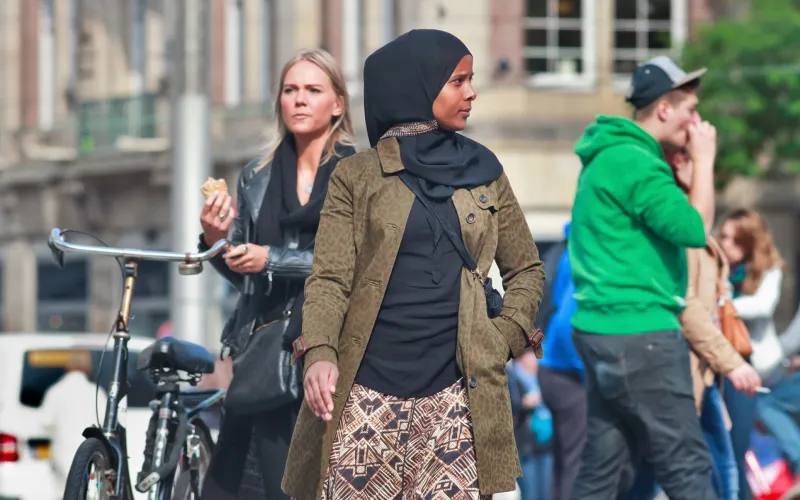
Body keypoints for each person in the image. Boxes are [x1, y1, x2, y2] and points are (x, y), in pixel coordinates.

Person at [282, 29, 546, 500]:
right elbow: (329, 279)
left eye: (471, 81)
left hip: (457, 399)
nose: (471, 93)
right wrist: (320, 353)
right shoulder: (357, 175)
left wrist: (502, 337)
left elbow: (526, 269)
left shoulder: (485, 170)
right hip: (364, 396)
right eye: (458, 81)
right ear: (420, 87)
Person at [197, 48, 356, 500]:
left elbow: (354, 263)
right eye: (290, 91)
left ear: (338, 104)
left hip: (333, 351)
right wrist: (214, 239)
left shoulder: (359, 174)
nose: (299, 100)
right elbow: (243, 274)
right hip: (266, 354)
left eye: (313, 90)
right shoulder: (256, 176)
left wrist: (273, 260)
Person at [568, 55, 719, 500]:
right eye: (690, 109)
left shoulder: (608, 156)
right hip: (641, 332)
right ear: (663, 108)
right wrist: (705, 161)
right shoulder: (636, 163)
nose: (697, 121)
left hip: (601, 330)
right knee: (687, 466)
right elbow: (695, 230)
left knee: (602, 472)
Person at [672, 148, 762, 499]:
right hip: (690, 364)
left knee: (723, 465)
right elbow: (686, 304)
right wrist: (732, 362)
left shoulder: (696, 230)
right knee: (706, 468)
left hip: (706, 368)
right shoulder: (679, 228)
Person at [718, 208, 784, 500]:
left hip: (754, 370)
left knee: (737, 448)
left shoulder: (769, 269)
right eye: (723, 236)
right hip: (720, 368)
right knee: (721, 451)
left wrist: (721, 306)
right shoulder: (716, 268)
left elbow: (762, 306)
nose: (724, 244)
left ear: (749, 242)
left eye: (734, 239)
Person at [538, 221, 585, 500]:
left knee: (563, 458)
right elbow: (569, 323)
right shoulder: (581, 255)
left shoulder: (563, 252)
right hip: (568, 370)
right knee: (576, 462)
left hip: (552, 368)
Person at [39, 352, 108, 492]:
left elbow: (44, 422)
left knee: (65, 492)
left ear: (67, 367)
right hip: (91, 453)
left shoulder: (56, 391)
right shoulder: (96, 392)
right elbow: (106, 423)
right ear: (88, 369)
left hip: (62, 453)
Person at [508, 352, 553, 500]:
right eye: (531, 357)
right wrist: (523, 404)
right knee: (531, 493)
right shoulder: (511, 379)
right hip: (524, 448)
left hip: (547, 445)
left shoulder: (543, 378)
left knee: (547, 493)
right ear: (521, 359)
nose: (534, 361)